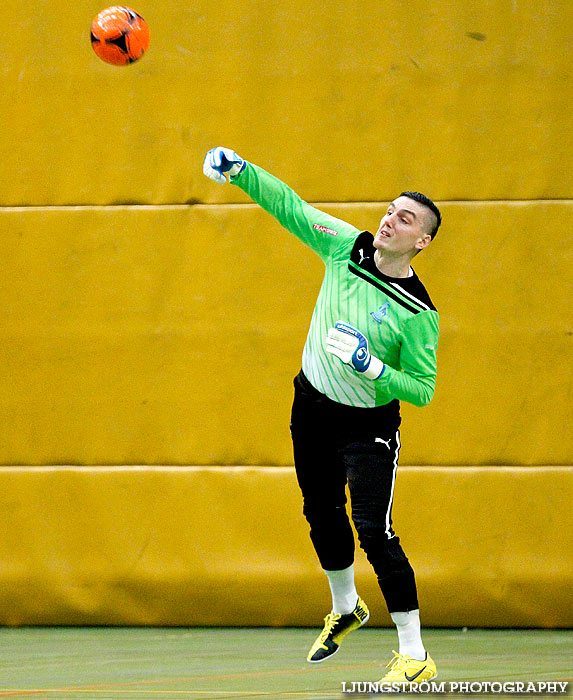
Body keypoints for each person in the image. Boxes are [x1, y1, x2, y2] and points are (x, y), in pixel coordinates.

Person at [203, 147, 441, 685]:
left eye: (405, 218)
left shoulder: (419, 315)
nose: (389, 220)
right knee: (320, 511)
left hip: (367, 427)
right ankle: (346, 607)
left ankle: (415, 654)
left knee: (373, 532)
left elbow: (422, 391)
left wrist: (373, 365)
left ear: (421, 241)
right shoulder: (345, 247)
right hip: (310, 407)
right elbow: (289, 206)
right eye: (389, 210)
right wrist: (242, 171)